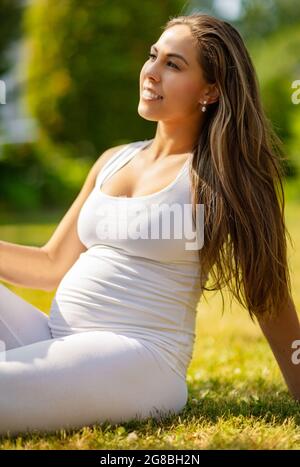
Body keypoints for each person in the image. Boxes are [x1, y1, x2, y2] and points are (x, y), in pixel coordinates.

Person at [0, 12, 299, 436]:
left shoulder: (219, 178)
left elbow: (268, 297)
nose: (151, 72)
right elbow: (49, 264)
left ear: (210, 90)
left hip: (139, 358)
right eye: (153, 56)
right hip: (54, 338)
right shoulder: (114, 159)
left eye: (173, 65)